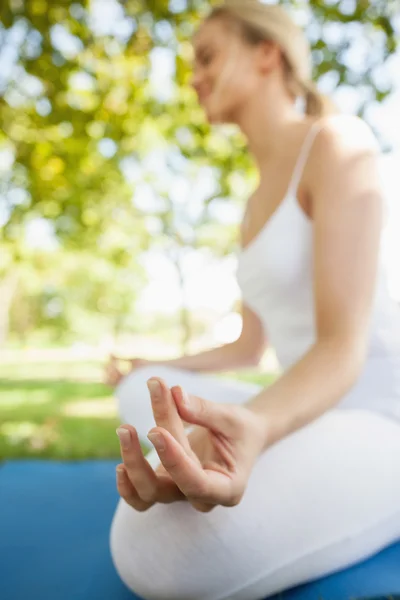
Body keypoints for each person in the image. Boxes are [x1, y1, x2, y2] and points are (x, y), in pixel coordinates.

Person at [106, 1, 400, 598]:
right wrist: (152, 366)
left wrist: (255, 426)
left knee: (154, 549)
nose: (193, 77)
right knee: (140, 390)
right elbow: (247, 346)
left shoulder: (338, 143)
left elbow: (341, 346)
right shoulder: (251, 207)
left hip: (377, 414)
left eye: (207, 56)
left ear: (269, 54)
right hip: (306, 402)